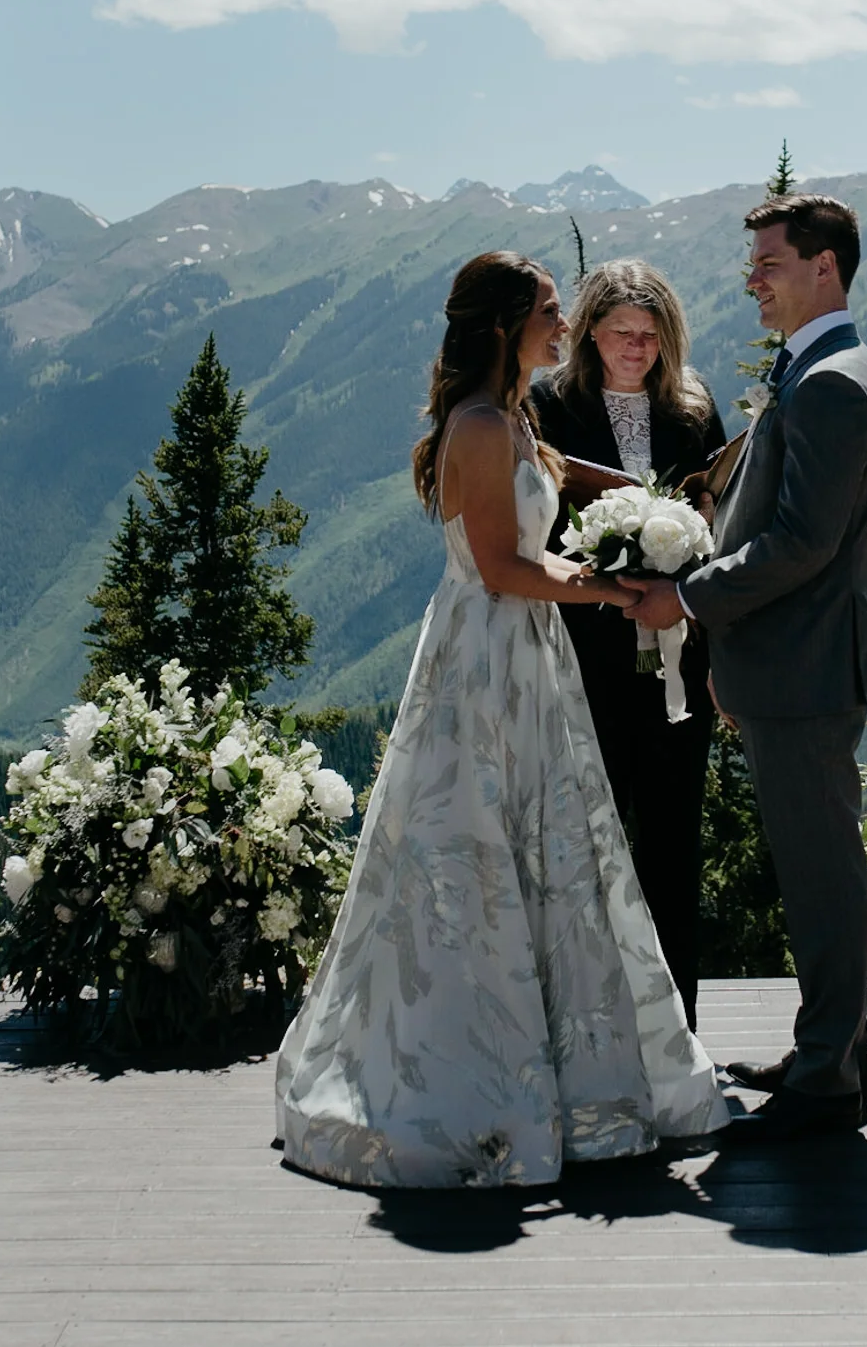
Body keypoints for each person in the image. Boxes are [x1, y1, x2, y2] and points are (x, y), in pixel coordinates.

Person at [274, 251, 726, 1187]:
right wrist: (607, 591)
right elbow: (498, 571)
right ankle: (460, 1063)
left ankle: (549, 1058)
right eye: (551, 314)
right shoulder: (478, 427)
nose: (563, 328)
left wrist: (613, 574)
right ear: (502, 327)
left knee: (543, 847)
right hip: (482, 655)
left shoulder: (513, 420)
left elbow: (538, 560)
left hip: (529, 651)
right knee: (473, 847)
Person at [631, 195, 867, 1147]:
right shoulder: (817, 369)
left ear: (824, 267)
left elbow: (797, 544)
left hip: (809, 671)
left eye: (769, 262)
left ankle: (827, 1070)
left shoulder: (830, 383)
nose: (753, 279)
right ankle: (831, 1051)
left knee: (823, 874)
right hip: (788, 666)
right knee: (814, 868)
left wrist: (688, 601)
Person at [531, 261, 726, 1029]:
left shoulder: (692, 407)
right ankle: (595, 1020)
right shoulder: (550, 406)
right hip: (587, 651)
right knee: (592, 837)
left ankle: (679, 1024)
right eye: (620, 333)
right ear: (590, 335)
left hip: (682, 651)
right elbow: (538, 522)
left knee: (674, 842)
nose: (636, 348)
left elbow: (713, 511)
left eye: (650, 335)